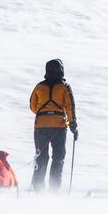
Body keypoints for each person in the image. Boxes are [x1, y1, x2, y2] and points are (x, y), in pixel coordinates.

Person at [29, 59, 78, 192]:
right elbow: (70, 108)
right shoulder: (65, 87)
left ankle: (38, 188)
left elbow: (33, 107)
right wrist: (73, 126)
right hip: (59, 127)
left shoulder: (39, 87)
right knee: (58, 157)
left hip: (41, 126)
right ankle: (54, 189)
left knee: (41, 156)